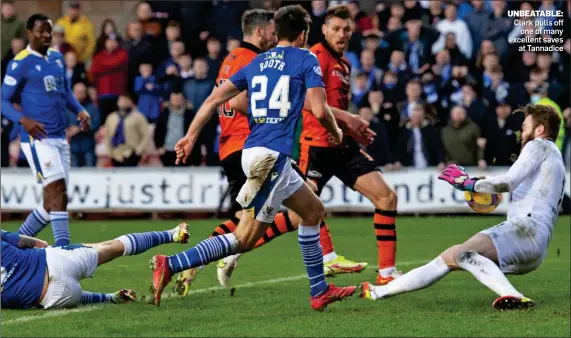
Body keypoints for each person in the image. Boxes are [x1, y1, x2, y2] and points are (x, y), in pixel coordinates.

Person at [151, 5, 357, 310]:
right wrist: (337, 131)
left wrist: (191, 135)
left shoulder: (258, 62)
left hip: (257, 152)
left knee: (313, 210)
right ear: (304, 33)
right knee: (244, 238)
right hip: (270, 158)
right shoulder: (306, 58)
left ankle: (319, 291)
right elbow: (317, 107)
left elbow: (216, 98)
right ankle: (171, 263)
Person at [361, 104, 566, 311]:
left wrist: (469, 184)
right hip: (536, 243)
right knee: (452, 255)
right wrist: (479, 184)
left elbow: (508, 182)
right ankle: (379, 292)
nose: (522, 133)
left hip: (525, 230)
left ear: (539, 129)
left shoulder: (538, 146)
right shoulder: (554, 156)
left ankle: (514, 295)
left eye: (525, 126)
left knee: (464, 254)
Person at [297, 5, 402, 286]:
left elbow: (334, 108)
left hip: (341, 146)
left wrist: (352, 130)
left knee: (386, 198)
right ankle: (235, 245)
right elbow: (304, 99)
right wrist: (349, 118)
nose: (341, 34)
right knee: (301, 212)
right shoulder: (315, 56)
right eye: (336, 28)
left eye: (346, 29)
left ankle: (387, 273)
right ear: (324, 30)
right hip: (316, 146)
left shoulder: (344, 64)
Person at [1, 14, 91, 246]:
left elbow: (66, 91)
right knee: (58, 193)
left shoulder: (58, 58)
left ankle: (10, 248)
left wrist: (80, 109)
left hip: (60, 137)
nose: (46, 35)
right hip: (37, 138)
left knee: (54, 201)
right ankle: (64, 251)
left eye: (49, 31)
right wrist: (23, 120)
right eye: (41, 31)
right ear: (29, 33)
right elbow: (3, 100)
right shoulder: (20, 62)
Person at [1, 223, 189, 309]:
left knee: (40, 292)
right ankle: (171, 234)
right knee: (111, 247)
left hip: (56, 297)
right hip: (52, 262)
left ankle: (109, 298)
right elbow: (38, 244)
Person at [103, 95, 150, 167]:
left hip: (131, 152)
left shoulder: (138, 117)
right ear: (117, 102)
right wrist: (109, 152)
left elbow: (146, 135)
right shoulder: (111, 117)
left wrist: (138, 150)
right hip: (116, 154)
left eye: (126, 100)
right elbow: (107, 136)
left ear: (131, 102)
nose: (124, 103)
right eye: (121, 100)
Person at [154, 91, 194, 166]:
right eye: (174, 99)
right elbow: (157, 132)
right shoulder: (164, 114)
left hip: (184, 151)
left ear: (183, 100)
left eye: (179, 99)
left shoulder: (189, 115)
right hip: (167, 151)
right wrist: (159, 147)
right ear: (170, 100)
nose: (176, 101)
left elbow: (195, 133)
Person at [66, 82, 100, 167]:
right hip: (72, 147)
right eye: (78, 92)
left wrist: (80, 128)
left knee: (90, 174)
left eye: (82, 92)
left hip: (88, 147)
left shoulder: (92, 108)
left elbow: (96, 124)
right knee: (74, 175)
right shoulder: (67, 108)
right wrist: (67, 130)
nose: (80, 94)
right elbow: (62, 123)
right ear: (73, 93)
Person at [55, 1, 95, 65]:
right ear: (68, 9)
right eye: (72, 9)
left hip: (78, 60)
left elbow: (91, 44)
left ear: (79, 10)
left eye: (76, 9)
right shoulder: (61, 22)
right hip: (61, 59)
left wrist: (82, 58)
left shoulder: (86, 24)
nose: (73, 12)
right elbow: (54, 38)